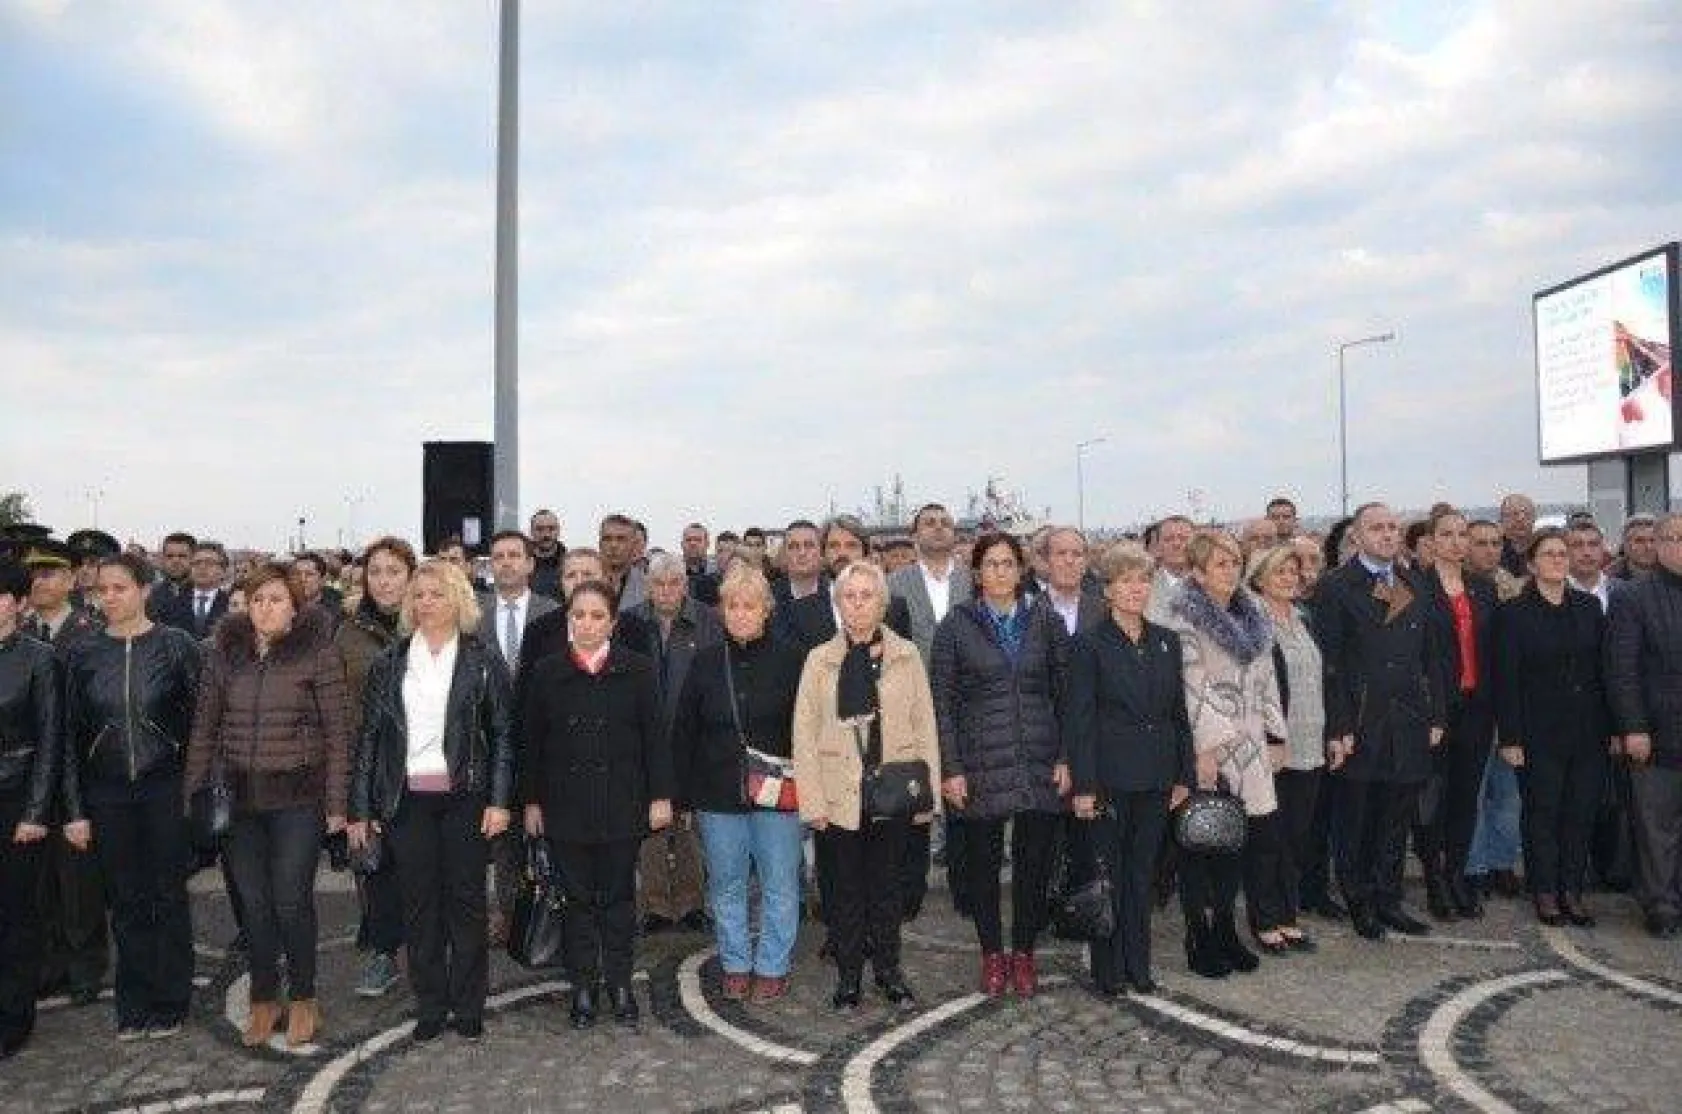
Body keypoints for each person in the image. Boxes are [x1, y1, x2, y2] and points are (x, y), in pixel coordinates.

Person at [184, 562, 352, 1048]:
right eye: (257, 599)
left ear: (295, 607)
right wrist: (192, 795)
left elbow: (339, 736)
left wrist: (337, 803)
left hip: (297, 800)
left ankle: (303, 998)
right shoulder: (223, 657)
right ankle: (263, 999)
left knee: (291, 901)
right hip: (239, 802)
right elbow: (203, 730)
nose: (266, 608)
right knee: (254, 907)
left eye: (277, 599)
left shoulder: (318, 654)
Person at [349, 559, 515, 1040]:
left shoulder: (482, 659)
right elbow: (371, 739)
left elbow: (503, 734)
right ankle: (430, 1003)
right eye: (418, 595)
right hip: (407, 802)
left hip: (466, 799)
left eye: (436, 594)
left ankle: (468, 1003)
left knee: (466, 904)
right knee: (419, 906)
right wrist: (361, 807)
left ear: (458, 599)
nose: (425, 603)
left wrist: (500, 800)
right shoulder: (391, 661)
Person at [62, 553, 203, 1041]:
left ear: (145, 590)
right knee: (124, 898)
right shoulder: (82, 653)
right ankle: (133, 999)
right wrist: (75, 809)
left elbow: (200, 721)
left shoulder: (177, 645)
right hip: (107, 790)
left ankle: (171, 997)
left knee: (167, 892)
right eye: (103, 590)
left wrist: (195, 787)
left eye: (120, 588)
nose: (110, 598)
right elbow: (69, 736)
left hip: (163, 785)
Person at [521, 580, 673, 1028]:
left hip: (622, 803)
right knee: (577, 901)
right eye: (579, 616)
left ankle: (620, 982)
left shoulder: (638, 669)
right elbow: (532, 744)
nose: (587, 625)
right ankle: (583, 985)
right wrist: (531, 801)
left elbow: (655, 738)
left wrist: (661, 795)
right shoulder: (548, 672)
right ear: (570, 621)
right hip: (565, 806)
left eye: (597, 616)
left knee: (619, 899)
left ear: (613, 622)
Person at [793, 561, 941, 1010]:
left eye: (867, 595)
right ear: (838, 604)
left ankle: (889, 970)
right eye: (850, 596)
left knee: (887, 889)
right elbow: (804, 732)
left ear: (882, 602)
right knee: (844, 891)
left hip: (894, 792)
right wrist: (812, 801)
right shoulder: (821, 659)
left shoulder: (906, 654)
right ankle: (850, 975)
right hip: (839, 793)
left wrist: (926, 794)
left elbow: (925, 723)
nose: (858, 603)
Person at [931, 533, 1070, 997]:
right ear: (977, 573)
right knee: (983, 867)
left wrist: (1067, 756)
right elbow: (943, 703)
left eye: (1008, 563)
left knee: (1033, 866)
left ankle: (1024, 954)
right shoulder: (956, 626)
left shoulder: (1043, 621)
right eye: (990, 564)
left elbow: (1064, 694)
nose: (1000, 572)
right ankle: (992, 953)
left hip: (1037, 756)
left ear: (1020, 569)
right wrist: (951, 767)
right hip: (979, 761)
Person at [671, 563, 806, 1003]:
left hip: (778, 797)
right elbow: (684, 731)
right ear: (721, 611)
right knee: (726, 884)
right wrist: (681, 796)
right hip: (717, 794)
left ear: (766, 610)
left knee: (779, 884)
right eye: (733, 606)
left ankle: (771, 964)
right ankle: (734, 961)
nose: (742, 613)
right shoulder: (706, 662)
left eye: (750, 606)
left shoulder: (792, 659)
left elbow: (807, 729)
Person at [1064, 543, 1193, 995]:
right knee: (1109, 875)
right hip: (1109, 780)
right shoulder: (1087, 645)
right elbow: (1078, 720)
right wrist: (1084, 785)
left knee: (1143, 875)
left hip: (1158, 777)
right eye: (1126, 581)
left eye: (1143, 580)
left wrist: (1184, 775)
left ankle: (1139, 965)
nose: (1136, 589)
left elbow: (1179, 713)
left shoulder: (1166, 641)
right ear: (1108, 589)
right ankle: (1109, 969)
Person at [1317, 503, 1446, 941]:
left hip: (1408, 718)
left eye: (1394, 527)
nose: (1388, 535)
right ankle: (1360, 899)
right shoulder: (1337, 586)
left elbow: (1433, 655)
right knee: (1358, 819)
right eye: (1378, 528)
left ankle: (1389, 897)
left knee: (1396, 818)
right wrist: (1338, 726)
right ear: (1357, 535)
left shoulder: (1414, 580)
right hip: (1362, 719)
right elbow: (1329, 664)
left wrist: (1436, 714)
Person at [1160, 532, 1286, 973]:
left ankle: (1228, 930)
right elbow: (1188, 686)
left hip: (1252, 743)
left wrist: (1275, 733)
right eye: (1219, 563)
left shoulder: (1253, 613)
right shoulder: (1182, 617)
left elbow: (1268, 676)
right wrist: (1206, 749)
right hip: (1210, 747)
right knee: (1202, 842)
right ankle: (1200, 935)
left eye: (1234, 561)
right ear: (1197, 570)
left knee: (1237, 842)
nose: (1230, 570)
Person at [1495, 530, 1610, 928]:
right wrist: (1510, 737)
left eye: (1564, 554)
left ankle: (1572, 890)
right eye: (1550, 554)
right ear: (1531, 563)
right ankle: (1544, 890)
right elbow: (1506, 679)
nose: (1560, 560)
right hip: (1537, 732)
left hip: (1588, 731)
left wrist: (1612, 727)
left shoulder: (1589, 606)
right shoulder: (1513, 613)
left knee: (1580, 812)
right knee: (1543, 813)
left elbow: (1602, 671)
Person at [20, 537, 108, 1005]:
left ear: (72, 580)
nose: (41, 581)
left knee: (80, 880)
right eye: (34, 574)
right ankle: (49, 963)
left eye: (51, 573)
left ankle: (85, 967)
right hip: (31, 773)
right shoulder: (21, 632)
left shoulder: (90, 631)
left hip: (80, 771)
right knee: (39, 880)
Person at [621, 552, 720, 933]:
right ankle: (657, 906)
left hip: (695, 734)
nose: (666, 591)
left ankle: (693, 903)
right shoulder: (630, 622)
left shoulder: (708, 621)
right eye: (658, 584)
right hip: (644, 734)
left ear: (685, 584)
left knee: (690, 823)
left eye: (674, 583)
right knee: (650, 822)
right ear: (647, 586)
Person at [334, 537, 415, 998]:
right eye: (376, 572)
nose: (384, 580)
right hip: (371, 764)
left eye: (394, 571)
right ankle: (383, 954)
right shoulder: (348, 633)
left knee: (422, 865)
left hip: (424, 764)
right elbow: (341, 707)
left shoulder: (428, 623)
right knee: (376, 867)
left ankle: (426, 951)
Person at [1413, 508, 1498, 921]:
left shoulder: (1484, 589)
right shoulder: (1415, 587)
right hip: (1436, 711)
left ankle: (1458, 874)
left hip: (1477, 708)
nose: (1457, 542)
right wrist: (1430, 711)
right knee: (1434, 800)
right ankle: (1434, 879)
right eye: (1447, 534)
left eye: (1463, 534)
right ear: (1431, 540)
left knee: (1467, 798)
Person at [888, 503, 971, 919]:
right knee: (916, 793)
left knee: (964, 794)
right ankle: (910, 888)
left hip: (967, 702)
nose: (938, 530)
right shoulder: (895, 582)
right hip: (911, 703)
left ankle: (965, 883)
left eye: (945, 524)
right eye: (929, 524)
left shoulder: (973, 581)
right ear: (915, 533)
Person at [1606, 513, 1682, 937]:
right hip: (1655, 732)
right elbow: (1622, 669)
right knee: (1656, 827)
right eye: (1670, 538)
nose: (1677, 546)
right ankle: (1660, 903)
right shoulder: (1633, 597)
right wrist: (1633, 726)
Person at [1248, 544, 1322, 950]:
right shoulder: (1253, 623)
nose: (1290, 578)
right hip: (1272, 747)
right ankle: (1264, 918)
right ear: (1259, 579)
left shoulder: (1304, 618)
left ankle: (1288, 914)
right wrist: (1272, 738)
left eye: (1294, 571)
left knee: (1296, 837)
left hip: (1310, 741)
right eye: (1280, 572)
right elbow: (1257, 690)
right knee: (1267, 838)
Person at [0, 561, 61, 1057]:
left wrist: (36, 811)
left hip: (16, 797)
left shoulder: (40, 659)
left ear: (20, 603)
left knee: (16, 912)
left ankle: (14, 1016)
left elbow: (49, 741)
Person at [1145, 516, 1194, 623]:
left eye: (1183, 538)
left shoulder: (1213, 584)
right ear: (1157, 547)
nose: (1176, 544)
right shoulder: (1144, 588)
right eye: (1168, 539)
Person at [600, 514, 648, 612]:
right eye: (607, 539)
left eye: (621, 539)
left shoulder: (648, 588)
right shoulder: (584, 582)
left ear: (634, 545)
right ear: (600, 544)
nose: (613, 545)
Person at [144, 532, 196, 622]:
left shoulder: (206, 595)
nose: (175, 561)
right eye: (170, 556)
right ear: (163, 559)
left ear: (194, 558)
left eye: (182, 556)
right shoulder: (151, 595)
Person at [529, 509, 566, 600]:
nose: (546, 535)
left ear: (558, 531)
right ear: (531, 532)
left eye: (551, 529)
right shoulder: (521, 564)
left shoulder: (569, 564)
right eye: (539, 529)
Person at [1498, 495, 1537, 579]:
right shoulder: (1493, 549)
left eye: (1526, 514)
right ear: (1502, 520)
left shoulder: (1542, 549)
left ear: (1534, 519)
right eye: (1514, 514)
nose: (1520, 519)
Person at [1610, 514, 1657, 581]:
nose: (1648, 547)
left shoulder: (1672, 575)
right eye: (1640, 541)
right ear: (1626, 545)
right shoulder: (1608, 580)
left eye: (1653, 540)